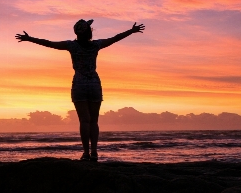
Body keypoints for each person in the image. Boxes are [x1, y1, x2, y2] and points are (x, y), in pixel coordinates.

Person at [15, 19, 145, 161]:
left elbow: (50, 44)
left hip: (79, 84)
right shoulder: (96, 45)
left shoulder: (71, 45)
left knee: (84, 121)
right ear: (89, 32)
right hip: (94, 83)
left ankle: (86, 153)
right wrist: (131, 31)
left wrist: (29, 39)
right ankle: (94, 152)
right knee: (94, 121)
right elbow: (114, 38)